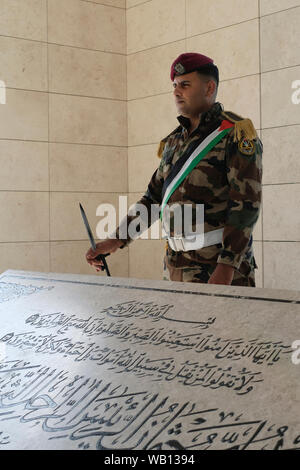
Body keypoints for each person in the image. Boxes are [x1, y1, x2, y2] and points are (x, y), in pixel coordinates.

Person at [86, 52, 263, 287]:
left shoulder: (234, 135)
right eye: (175, 85)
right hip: (175, 268)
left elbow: (245, 207)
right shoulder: (173, 142)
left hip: (218, 271)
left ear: (209, 88)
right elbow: (153, 199)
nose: (177, 92)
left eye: (185, 85)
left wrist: (226, 268)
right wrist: (115, 240)